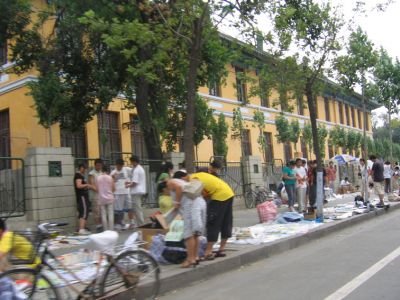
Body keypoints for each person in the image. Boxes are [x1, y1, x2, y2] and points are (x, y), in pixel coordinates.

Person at [190, 171, 234, 260]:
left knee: (213, 222)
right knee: (226, 221)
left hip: (219, 196)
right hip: (229, 193)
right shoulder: (199, 175)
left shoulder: (192, 180)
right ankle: (221, 249)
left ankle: (208, 252)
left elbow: (203, 193)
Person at [167, 171, 206, 268]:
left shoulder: (170, 182)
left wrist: (177, 202)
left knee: (188, 234)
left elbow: (178, 188)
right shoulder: (184, 183)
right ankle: (195, 257)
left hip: (191, 206)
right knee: (195, 233)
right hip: (200, 203)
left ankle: (190, 259)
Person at [110, 158, 131, 230]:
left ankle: (122, 223)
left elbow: (129, 179)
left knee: (126, 209)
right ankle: (117, 224)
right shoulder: (113, 173)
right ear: (116, 165)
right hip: (117, 193)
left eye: (121, 166)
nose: (120, 167)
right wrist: (114, 178)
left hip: (126, 192)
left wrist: (129, 183)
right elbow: (111, 182)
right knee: (118, 209)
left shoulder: (126, 170)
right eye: (119, 166)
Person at [74, 164, 95, 235]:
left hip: (83, 196)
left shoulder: (80, 175)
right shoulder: (78, 175)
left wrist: (86, 186)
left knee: (82, 212)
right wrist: (87, 185)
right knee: (84, 212)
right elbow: (78, 185)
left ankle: (81, 228)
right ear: (81, 168)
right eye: (85, 169)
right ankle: (82, 229)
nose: (85, 170)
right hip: (82, 196)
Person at [126, 156, 146, 228]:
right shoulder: (140, 168)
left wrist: (128, 185)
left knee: (137, 209)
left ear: (134, 161)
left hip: (136, 191)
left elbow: (135, 183)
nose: (131, 163)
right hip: (139, 191)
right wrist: (129, 183)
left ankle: (141, 224)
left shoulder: (136, 170)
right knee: (137, 208)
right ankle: (139, 224)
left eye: (131, 162)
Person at [96, 165, 115, 231]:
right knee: (110, 214)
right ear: (108, 171)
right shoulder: (110, 178)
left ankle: (105, 230)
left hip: (101, 198)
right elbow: (113, 188)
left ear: (102, 170)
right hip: (109, 198)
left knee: (103, 214)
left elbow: (97, 188)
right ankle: (111, 229)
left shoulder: (98, 178)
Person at [88, 158, 104, 233]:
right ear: (95, 165)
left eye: (100, 165)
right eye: (98, 165)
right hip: (95, 195)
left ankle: (101, 225)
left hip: (102, 195)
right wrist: (98, 190)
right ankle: (98, 226)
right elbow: (91, 184)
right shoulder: (91, 173)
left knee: (101, 211)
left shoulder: (101, 173)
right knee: (96, 211)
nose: (99, 167)